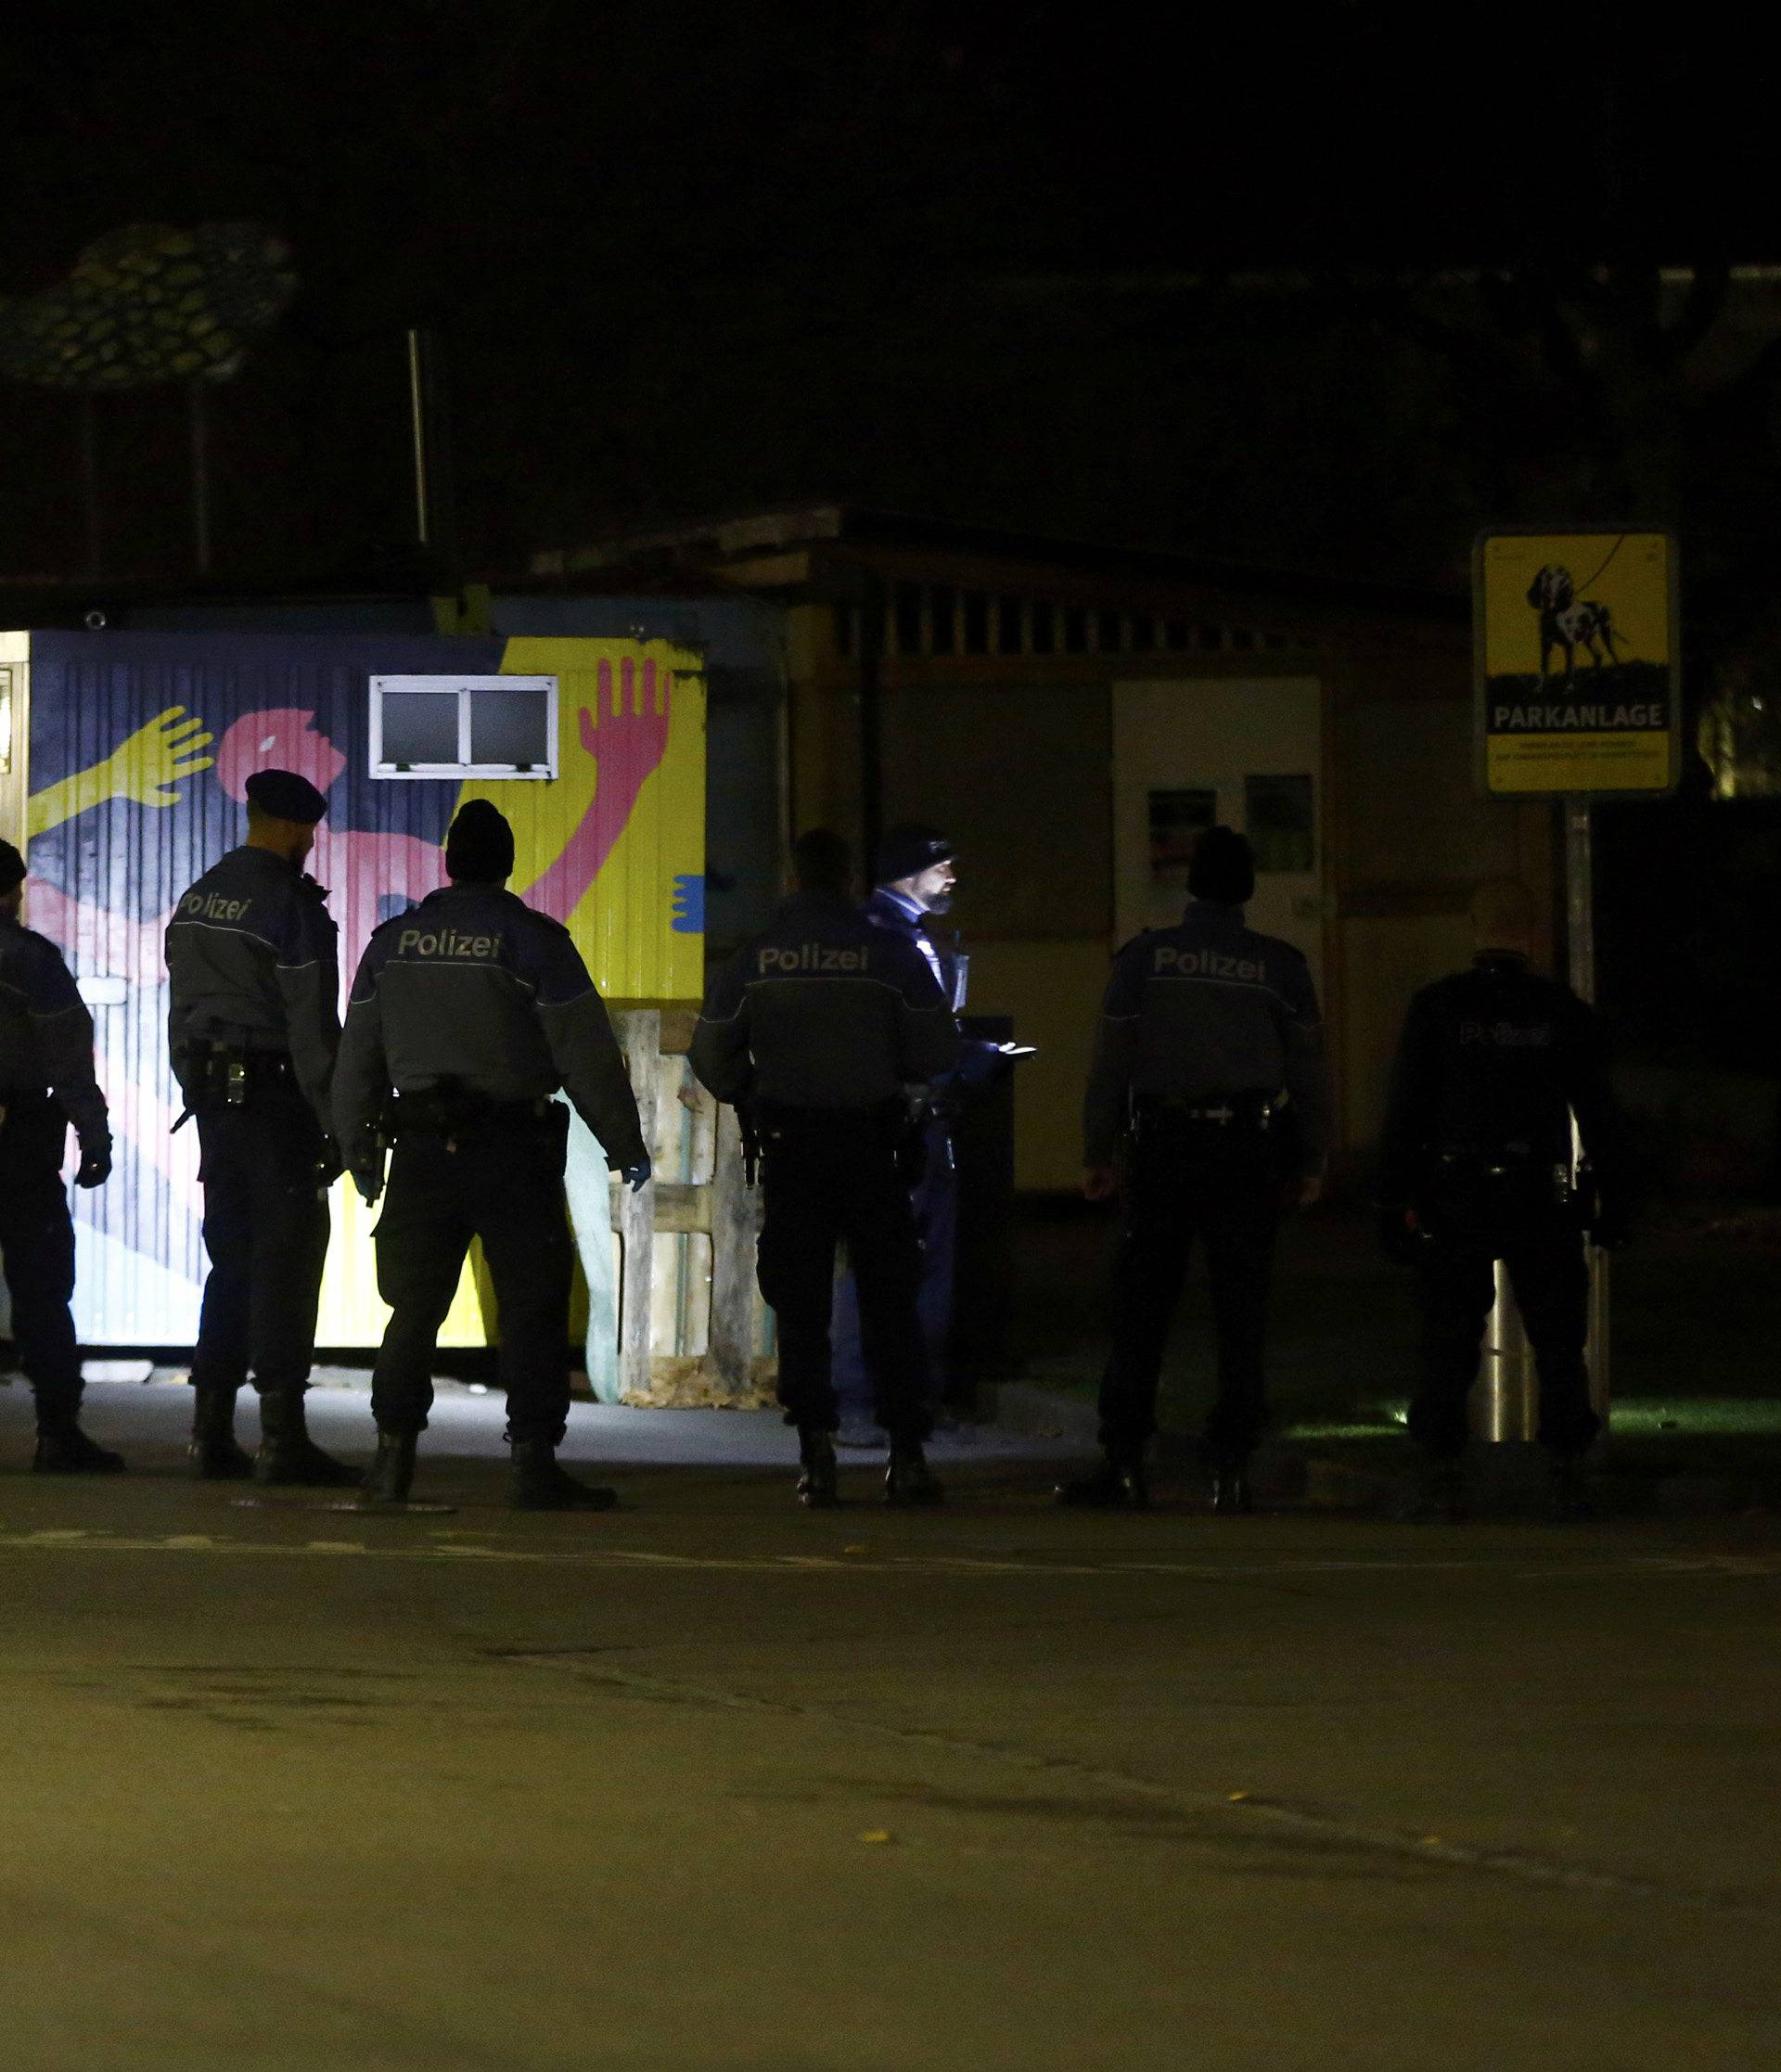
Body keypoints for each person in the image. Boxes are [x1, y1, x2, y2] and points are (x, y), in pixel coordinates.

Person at [333, 800, 651, 1512]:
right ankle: (533, 1466)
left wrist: (358, 1148)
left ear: (448, 862)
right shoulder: (534, 942)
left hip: (419, 1152)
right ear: (507, 865)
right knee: (531, 1306)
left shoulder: (392, 944)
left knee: (413, 1308)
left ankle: (390, 1465)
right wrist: (624, 1142)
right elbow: (586, 1056)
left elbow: (357, 1057)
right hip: (512, 1153)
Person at [689, 828, 959, 1507]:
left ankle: (816, 1454)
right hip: (874, 1146)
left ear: (790, 882)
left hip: (794, 1146)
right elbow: (935, 1050)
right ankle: (907, 1455)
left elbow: (712, 1055)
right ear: (847, 882)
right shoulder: (890, 951)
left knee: (802, 1304)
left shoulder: (757, 959)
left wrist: (753, 1091)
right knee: (890, 1300)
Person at [1064, 825, 1328, 1514]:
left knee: (1142, 1308)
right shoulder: (1281, 965)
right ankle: (1232, 1469)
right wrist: (1312, 1158)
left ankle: (1124, 1463)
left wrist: (1099, 1152)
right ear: (1248, 888)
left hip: (1164, 1148)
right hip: (1247, 1149)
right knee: (1242, 1309)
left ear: (1191, 886)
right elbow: (1307, 1070)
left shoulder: (1146, 959)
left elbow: (1110, 1063)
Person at [1378, 878, 1624, 1521]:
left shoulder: (1438, 1008)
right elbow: (1599, 1112)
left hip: (1455, 1188)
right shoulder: (1560, 1011)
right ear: (1534, 933)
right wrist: (1615, 1199)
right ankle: (1567, 1462)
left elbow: (1406, 1109)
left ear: (1473, 928)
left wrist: (1393, 1200)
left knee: (1449, 1329)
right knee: (1557, 1332)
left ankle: (1439, 1463)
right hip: (1536, 1191)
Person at [165, 768, 355, 1486]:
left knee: (232, 1265)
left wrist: (199, 1090)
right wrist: (336, 1125)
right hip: (279, 1107)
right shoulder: (290, 905)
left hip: (217, 1106)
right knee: (289, 1264)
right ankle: (282, 1439)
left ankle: (210, 1434)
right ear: (300, 830)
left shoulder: (198, 896)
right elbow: (313, 1032)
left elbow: (180, 1013)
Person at [829, 823, 1021, 1438]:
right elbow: (926, 1037)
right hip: (913, 1118)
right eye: (943, 868)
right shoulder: (904, 944)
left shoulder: (864, 935)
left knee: (869, 1260)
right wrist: (982, 1056)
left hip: (862, 1119)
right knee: (916, 1264)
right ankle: (900, 1399)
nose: (952, 878)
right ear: (908, 873)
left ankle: (866, 1397)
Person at [0, 838, 122, 1473]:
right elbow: (70, 1063)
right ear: (10, 893)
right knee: (43, 1287)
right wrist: (94, 1140)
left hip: (20, 1137)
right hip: (18, 1143)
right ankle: (57, 1431)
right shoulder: (32, 961)